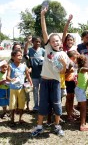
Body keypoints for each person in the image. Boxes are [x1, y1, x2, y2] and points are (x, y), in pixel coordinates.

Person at [31, 7, 68, 137]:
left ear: (60, 42)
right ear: (49, 43)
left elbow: (62, 72)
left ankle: (57, 126)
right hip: (44, 81)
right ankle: (39, 126)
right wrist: (42, 16)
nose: (54, 42)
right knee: (42, 104)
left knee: (57, 105)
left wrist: (63, 64)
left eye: (57, 40)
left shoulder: (63, 55)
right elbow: (44, 30)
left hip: (56, 83)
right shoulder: (47, 48)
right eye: (52, 41)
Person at [6, 50, 32, 126]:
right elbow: (7, 76)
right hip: (13, 88)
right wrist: (11, 79)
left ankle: (20, 119)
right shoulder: (10, 66)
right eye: (18, 55)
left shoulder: (24, 66)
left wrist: (31, 83)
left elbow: (28, 75)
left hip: (21, 88)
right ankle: (12, 120)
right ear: (13, 57)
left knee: (21, 104)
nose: (20, 57)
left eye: (21, 55)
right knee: (13, 105)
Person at [24, 36, 45, 111]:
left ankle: (42, 105)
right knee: (35, 91)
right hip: (34, 75)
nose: (38, 43)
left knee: (42, 91)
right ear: (32, 42)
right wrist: (27, 42)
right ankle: (36, 106)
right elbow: (25, 53)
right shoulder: (30, 50)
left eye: (39, 42)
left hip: (42, 75)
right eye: (36, 41)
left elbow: (48, 58)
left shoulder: (42, 50)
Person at [75, 54, 88, 131]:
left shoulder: (81, 69)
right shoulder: (82, 69)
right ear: (84, 62)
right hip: (81, 90)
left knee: (84, 108)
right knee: (83, 108)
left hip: (81, 90)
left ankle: (83, 122)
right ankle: (82, 125)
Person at [65, 50, 78, 121]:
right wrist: (69, 71)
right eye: (76, 54)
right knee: (69, 99)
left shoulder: (73, 62)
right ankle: (69, 115)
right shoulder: (68, 63)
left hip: (73, 82)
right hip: (68, 82)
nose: (77, 55)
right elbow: (64, 75)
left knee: (72, 99)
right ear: (73, 56)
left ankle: (70, 113)